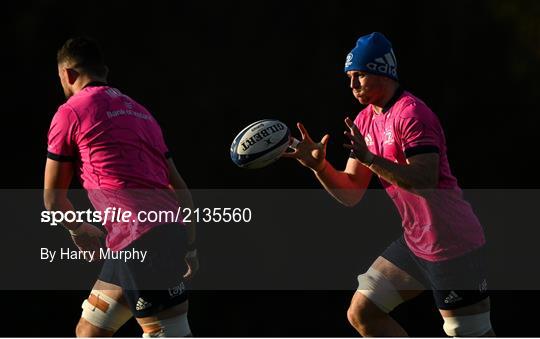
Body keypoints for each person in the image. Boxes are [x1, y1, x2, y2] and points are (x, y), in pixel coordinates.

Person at [284, 32, 494, 336]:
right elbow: (351, 191)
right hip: (416, 243)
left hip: (452, 244)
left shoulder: (412, 114)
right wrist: (319, 166)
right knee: (362, 312)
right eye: (349, 77)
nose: (352, 84)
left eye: (359, 75)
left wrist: (370, 158)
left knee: (468, 331)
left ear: (382, 71)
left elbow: (424, 180)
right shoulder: (365, 120)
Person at [44, 37, 198, 337]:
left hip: (140, 239)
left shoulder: (70, 112)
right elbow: (180, 188)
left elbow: (52, 199)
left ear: (68, 74)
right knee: (89, 331)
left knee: (166, 333)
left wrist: (78, 229)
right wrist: (189, 245)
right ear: (105, 71)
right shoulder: (142, 113)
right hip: (155, 233)